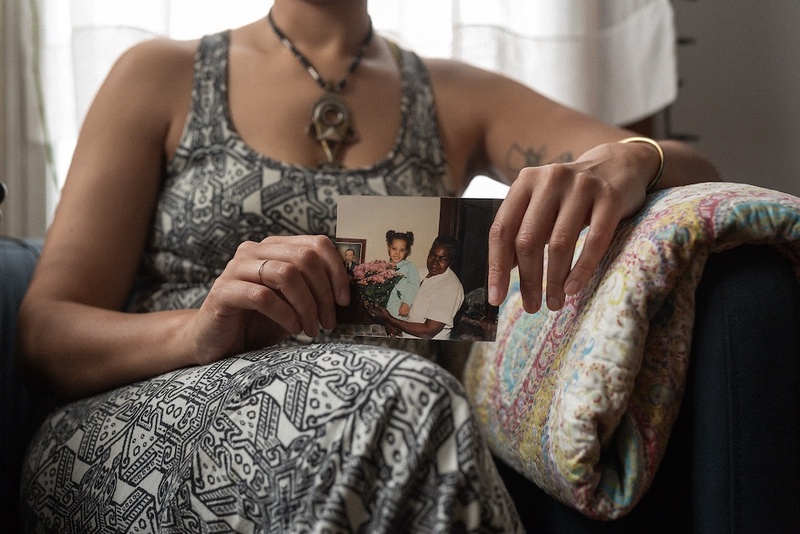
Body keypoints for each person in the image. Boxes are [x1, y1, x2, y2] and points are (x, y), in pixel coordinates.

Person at [15, 0, 720, 531]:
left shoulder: (452, 96)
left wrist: (632, 158)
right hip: (143, 432)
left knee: (404, 409)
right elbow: (44, 334)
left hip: (389, 435)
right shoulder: (160, 76)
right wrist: (196, 331)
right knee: (409, 403)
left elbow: (698, 175)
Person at [370, 235, 464, 340]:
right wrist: (388, 323)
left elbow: (428, 331)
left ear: (451, 262)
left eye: (443, 259)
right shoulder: (421, 272)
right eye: (433, 255)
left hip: (426, 346)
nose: (435, 262)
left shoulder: (450, 287)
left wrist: (390, 319)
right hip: (403, 339)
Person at [383, 230, 420, 319]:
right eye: (394, 249)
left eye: (402, 250)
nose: (397, 253)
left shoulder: (410, 267)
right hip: (384, 308)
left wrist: (406, 303)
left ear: (406, 251)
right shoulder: (383, 267)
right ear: (388, 248)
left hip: (400, 308)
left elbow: (413, 285)